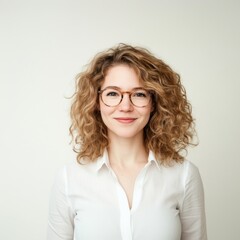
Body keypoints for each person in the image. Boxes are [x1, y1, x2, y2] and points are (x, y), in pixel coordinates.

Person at [47, 44, 207, 240]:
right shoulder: (69, 179)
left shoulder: (184, 175)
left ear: (154, 103)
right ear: (96, 102)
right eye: (112, 94)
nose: (125, 106)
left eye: (139, 94)